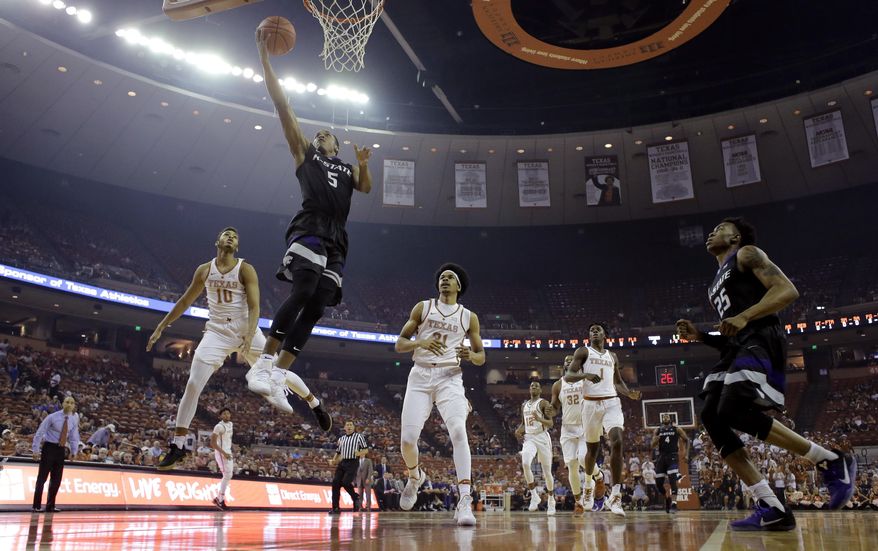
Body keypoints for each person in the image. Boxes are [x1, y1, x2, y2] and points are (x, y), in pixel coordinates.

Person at [677, 217, 856, 531]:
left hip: (762, 340)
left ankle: (830, 459)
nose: (712, 232)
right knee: (712, 417)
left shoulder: (746, 254)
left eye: (720, 228)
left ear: (736, 237)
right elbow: (733, 332)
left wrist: (745, 315)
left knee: (731, 408)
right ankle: (771, 505)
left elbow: (787, 291)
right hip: (740, 346)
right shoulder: (714, 282)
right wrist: (701, 336)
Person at [246, 29, 372, 428]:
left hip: (338, 238)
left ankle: (281, 372)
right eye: (317, 134)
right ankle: (263, 363)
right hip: (310, 226)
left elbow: (365, 188)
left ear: (335, 143)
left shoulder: (348, 167)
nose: (321, 135)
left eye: (326, 134)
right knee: (301, 290)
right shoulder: (305, 155)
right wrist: (265, 61)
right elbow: (283, 106)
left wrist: (364, 163)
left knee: (317, 305)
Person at [147, 228, 268, 470]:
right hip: (216, 332)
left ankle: (311, 401)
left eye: (235, 236)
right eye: (227, 234)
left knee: (275, 373)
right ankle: (178, 446)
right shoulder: (204, 270)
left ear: (237, 246)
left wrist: (249, 337)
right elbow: (184, 301)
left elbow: (255, 307)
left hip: (246, 328)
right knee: (192, 384)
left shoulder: (245, 268)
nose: (231, 237)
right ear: (218, 241)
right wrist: (161, 326)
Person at [394, 263, 485, 526]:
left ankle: (465, 499)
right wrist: (419, 342)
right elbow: (399, 344)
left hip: (450, 377)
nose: (445, 280)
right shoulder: (423, 307)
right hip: (420, 376)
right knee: (408, 441)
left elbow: (481, 357)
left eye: (451, 278)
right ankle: (415, 476)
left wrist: (471, 355)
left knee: (458, 431)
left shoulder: (469, 317)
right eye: (442, 277)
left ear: (459, 286)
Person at [563, 322, 642, 516]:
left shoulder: (612, 356)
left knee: (617, 441)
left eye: (598, 329)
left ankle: (615, 495)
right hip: (590, 405)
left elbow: (617, 382)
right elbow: (569, 376)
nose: (594, 331)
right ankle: (589, 484)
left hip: (612, 402)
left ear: (605, 334)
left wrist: (628, 393)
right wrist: (586, 375)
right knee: (592, 450)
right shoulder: (583, 352)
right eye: (591, 329)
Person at [551, 355, 587, 516]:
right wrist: (547, 411)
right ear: (563, 365)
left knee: (583, 458)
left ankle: (596, 479)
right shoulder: (558, 385)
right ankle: (579, 502)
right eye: (566, 360)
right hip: (567, 428)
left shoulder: (585, 381)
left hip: (585, 426)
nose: (569, 361)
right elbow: (554, 407)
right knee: (572, 465)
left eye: (572, 359)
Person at [31, 395, 80, 512]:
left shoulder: (73, 419)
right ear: (62, 404)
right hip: (49, 448)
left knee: (56, 479)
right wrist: (35, 450)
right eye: (67, 402)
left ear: (74, 406)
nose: (69, 405)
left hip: (61, 450)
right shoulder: (52, 417)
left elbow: (74, 437)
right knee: (42, 478)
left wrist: (74, 451)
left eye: (72, 403)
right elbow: (39, 433)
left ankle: (50, 505)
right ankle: (36, 506)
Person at [516, 381, 556, 515]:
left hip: (542, 437)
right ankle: (534, 495)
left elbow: (550, 423)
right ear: (529, 389)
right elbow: (523, 424)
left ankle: (551, 500)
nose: (533, 387)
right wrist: (518, 430)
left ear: (540, 390)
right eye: (531, 385)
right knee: (526, 463)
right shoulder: (524, 405)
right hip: (529, 438)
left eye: (536, 386)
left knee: (547, 472)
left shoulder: (544, 403)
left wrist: (539, 418)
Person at [651, 413, 690, 513]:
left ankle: (674, 504)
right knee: (659, 483)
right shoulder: (658, 430)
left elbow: (687, 440)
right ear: (662, 419)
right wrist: (655, 441)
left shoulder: (676, 429)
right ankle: (667, 499)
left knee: (672, 479)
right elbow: (652, 445)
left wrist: (686, 453)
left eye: (667, 416)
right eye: (664, 416)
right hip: (661, 457)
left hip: (672, 455)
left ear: (670, 418)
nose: (665, 417)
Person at [328, 421, 367, 515]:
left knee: (345, 482)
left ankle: (355, 497)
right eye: (347, 425)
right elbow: (338, 452)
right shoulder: (341, 439)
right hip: (342, 462)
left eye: (351, 425)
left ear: (354, 427)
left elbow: (365, 450)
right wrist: (334, 460)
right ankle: (336, 508)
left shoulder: (359, 436)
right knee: (335, 483)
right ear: (344, 428)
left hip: (353, 462)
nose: (349, 426)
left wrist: (358, 453)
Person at [211, 407, 234, 510]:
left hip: (228, 452)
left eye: (228, 413)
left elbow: (227, 439)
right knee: (227, 475)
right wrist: (224, 453)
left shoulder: (231, 424)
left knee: (229, 475)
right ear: (220, 416)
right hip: (221, 453)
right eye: (224, 414)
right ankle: (220, 500)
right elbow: (212, 443)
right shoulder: (218, 426)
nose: (226, 415)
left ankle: (219, 499)